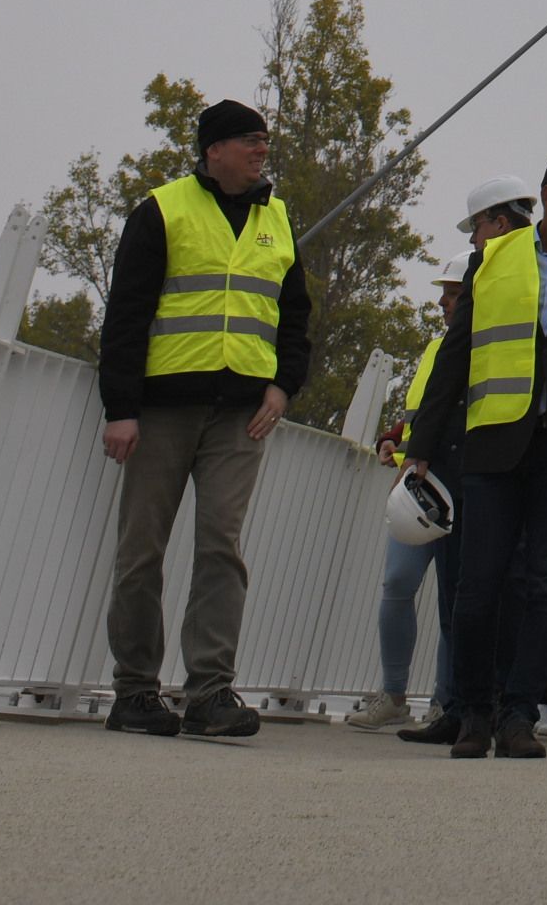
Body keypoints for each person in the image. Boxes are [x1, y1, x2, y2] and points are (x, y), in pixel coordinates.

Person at [94, 97, 314, 740]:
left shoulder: (277, 219)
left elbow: (294, 315)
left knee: (222, 547)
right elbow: (127, 315)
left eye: (263, 142)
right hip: (161, 411)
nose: (260, 150)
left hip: (241, 415)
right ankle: (134, 692)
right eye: (249, 140)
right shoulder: (162, 211)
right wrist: (121, 409)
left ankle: (209, 693)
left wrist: (284, 386)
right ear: (213, 149)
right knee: (142, 551)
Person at [406, 153, 547, 759]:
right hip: (494, 444)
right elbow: (456, 355)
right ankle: (473, 714)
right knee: (478, 585)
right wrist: (421, 447)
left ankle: (518, 715)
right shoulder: (495, 258)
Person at [350, 274, 469, 730]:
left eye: (453, 292)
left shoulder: (492, 351)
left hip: (464, 487)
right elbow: (421, 411)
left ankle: (445, 701)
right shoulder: (437, 349)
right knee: (398, 582)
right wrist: (394, 439)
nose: (442, 300)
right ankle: (394, 693)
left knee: (455, 601)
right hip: (419, 487)